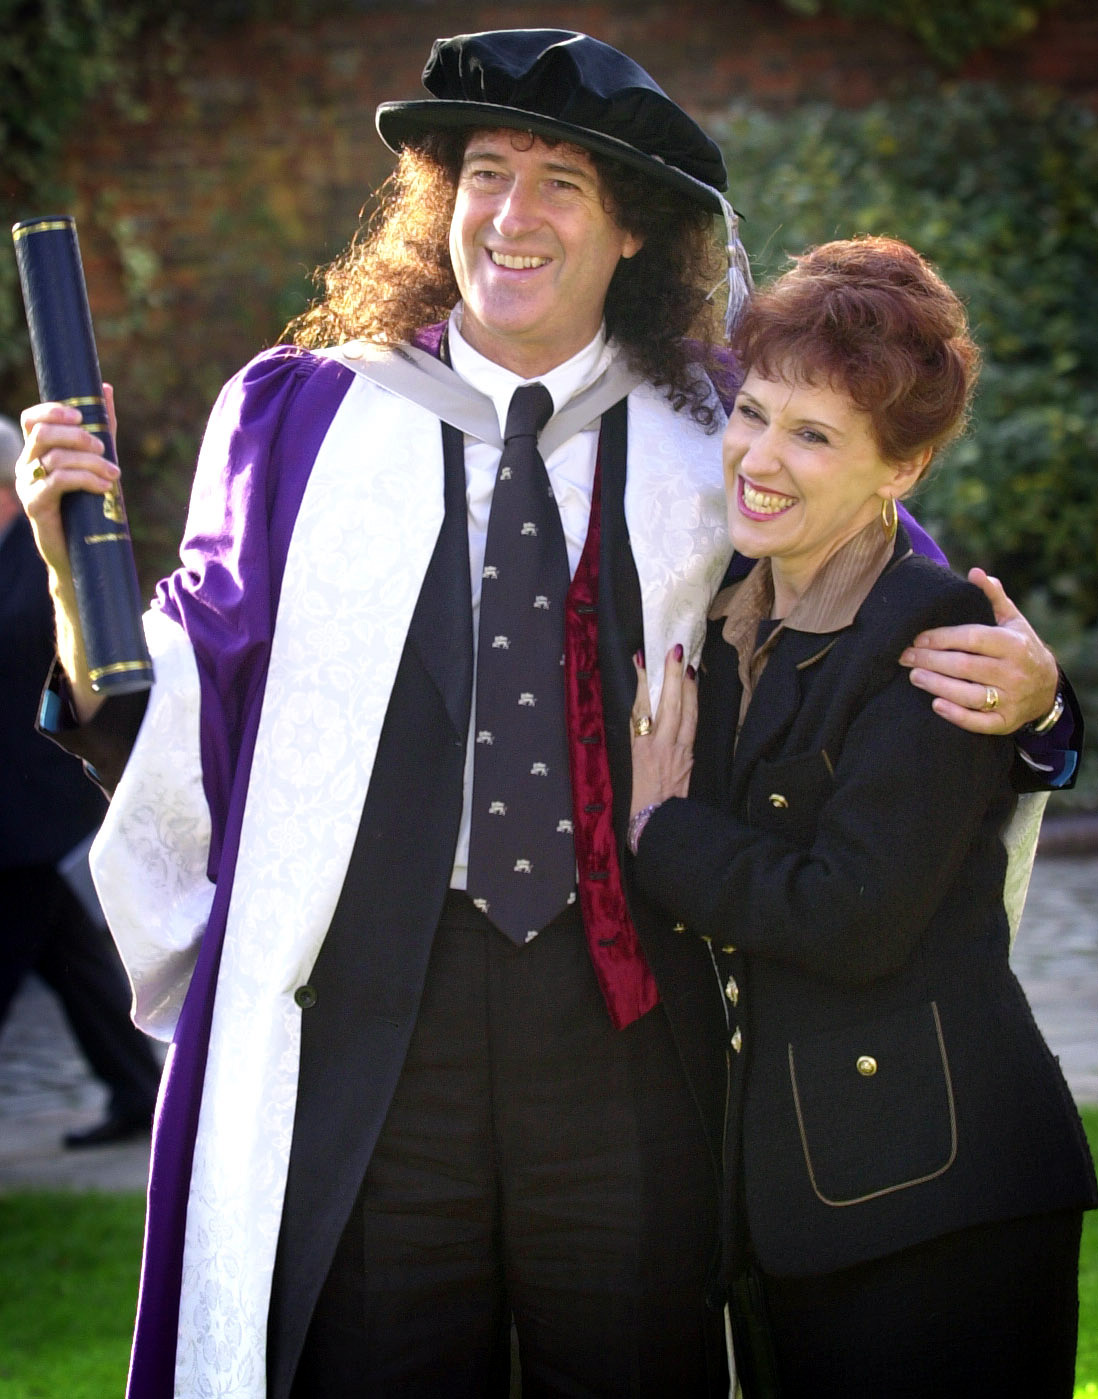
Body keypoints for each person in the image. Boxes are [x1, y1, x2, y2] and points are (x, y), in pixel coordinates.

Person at [13, 31, 1079, 1399]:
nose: (511, 216)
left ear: (632, 228)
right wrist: (64, 565)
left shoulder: (719, 431)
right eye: (484, 173)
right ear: (438, 200)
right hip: (379, 1023)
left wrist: (1038, 709)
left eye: (561, 182)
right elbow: (192, 683)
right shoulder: (302, 418)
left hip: (633, 1017)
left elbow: (889, 626)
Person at [627, 236, 1097, 1398]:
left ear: (903, 469)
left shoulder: (933, 634)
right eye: (756, 412)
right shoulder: (733, 613)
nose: (760, 457)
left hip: (940, 1208)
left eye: (815, 434)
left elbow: (853, 917)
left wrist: (656, 832)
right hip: (807, 1199)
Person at [0, 413, 160, 1148]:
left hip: (40, 808)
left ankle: (140, 1090)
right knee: (76, 964)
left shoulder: (39, 561)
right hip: (28, 815)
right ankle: (139, 1089)